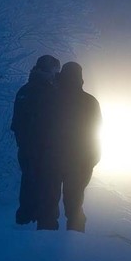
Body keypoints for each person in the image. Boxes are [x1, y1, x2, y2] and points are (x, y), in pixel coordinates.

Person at [11, 55, 61, 227]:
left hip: (25, 150)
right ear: (50, 70)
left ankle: (22, 227)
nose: (57, 75)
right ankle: (44, 235)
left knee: (27, 187)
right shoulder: (50, 92)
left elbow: (16, 124)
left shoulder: (24, 91)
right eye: (56, 71)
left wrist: (23, 144)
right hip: (47, 152)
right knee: (49, 193)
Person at [53, 62, 102, 232]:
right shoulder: (90, 101)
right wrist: (91, 161)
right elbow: (96, 134)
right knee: (74, 205)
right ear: (80, 78)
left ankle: (44, 240)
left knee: (48, 205)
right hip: (80, 163)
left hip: (51, 160)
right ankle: (75, 240)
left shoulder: (51, 98)